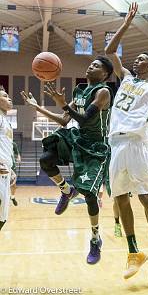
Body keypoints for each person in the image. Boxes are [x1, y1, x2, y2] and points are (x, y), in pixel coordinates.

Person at [21, 56, 113, 265]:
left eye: (97, 66)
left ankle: (95, 239)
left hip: (95, 148)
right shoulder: (79, 91)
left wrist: (63, 104)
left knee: (89, 194)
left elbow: (85, 118)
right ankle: (65, 190)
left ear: (105, 75)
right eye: (91, 64)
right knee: (46, 159)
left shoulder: (103, 92)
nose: (91, 66)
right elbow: (65, 120)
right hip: (78, 140)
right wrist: (38, 107)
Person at [105, 2, 148, 282]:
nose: (135, 61)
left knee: (144, 196)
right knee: (119, 197)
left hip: (135, 143)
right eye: (136, 58)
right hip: (115, 144)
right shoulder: (126, 77)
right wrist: (126, 24)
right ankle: (133, 252)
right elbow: (109, 52)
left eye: (141, 58)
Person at [0, 85, 14, 231]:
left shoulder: (5, 120)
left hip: (5, 169)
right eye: (4, 96)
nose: (9, 98)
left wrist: (11, 168)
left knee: (2, 217)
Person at [10, 141, 21, 206]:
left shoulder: (13, 144)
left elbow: (17, 153)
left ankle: (12, 197)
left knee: (13, 184)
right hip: (3, 164)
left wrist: (18, 158)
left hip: (12, 166)